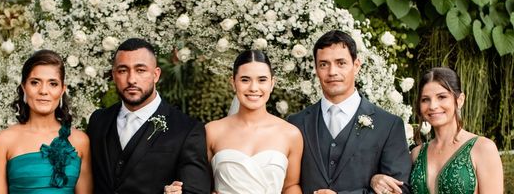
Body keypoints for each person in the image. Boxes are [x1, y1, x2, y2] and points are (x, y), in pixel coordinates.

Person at [288, 29, 411, 194]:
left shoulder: (388, 125)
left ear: (356, 66)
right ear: (316, 70)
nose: (332, 72)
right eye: (324, 64)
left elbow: (399, 190)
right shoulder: (295, 123)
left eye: (341, 63)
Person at [86, 37, 211, 194]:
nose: (131, 79)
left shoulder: (187, 130)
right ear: (114, 75)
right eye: (123, 70)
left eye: (140, 70)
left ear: (156, 74)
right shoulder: (98, 120)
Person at [371, 66, 503, 194]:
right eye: (425, 99)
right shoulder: (416, 155)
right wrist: (375, 180)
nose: (433, 106)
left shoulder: (483, 148)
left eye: (442, 97)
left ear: (460, 100)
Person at [0, 49, 92, 193]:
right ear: (24, 88)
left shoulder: (81, 141)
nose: (43, 91)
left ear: (62, 90)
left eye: (53, 84)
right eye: (35, 82)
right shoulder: (4, 140)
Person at [205, 50, 303, 194]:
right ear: (233, 83)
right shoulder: (212, 131)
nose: (253, 88)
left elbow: (291, 186)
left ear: (272, 83)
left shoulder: (291, 134)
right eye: (245, 80)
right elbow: (200, 184)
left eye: (262, 80)